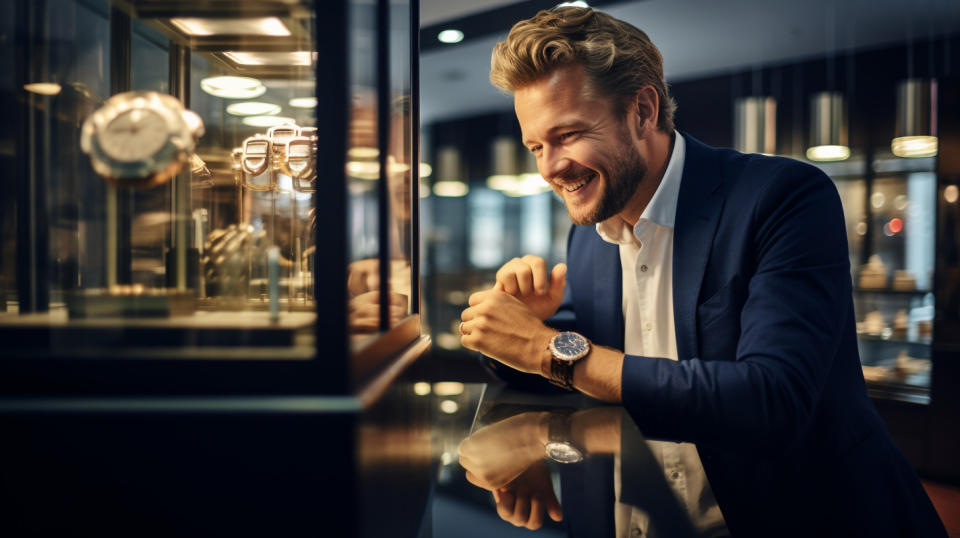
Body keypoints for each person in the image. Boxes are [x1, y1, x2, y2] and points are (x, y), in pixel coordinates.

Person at [458, 6, 946, 537]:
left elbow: (771, 398)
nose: (550, 167)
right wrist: (523, 331)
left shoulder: (783, 197)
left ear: (642, 110)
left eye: (569, 134)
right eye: (536, 146)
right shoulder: (588, 231)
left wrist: (542, 348)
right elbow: (585, 370)